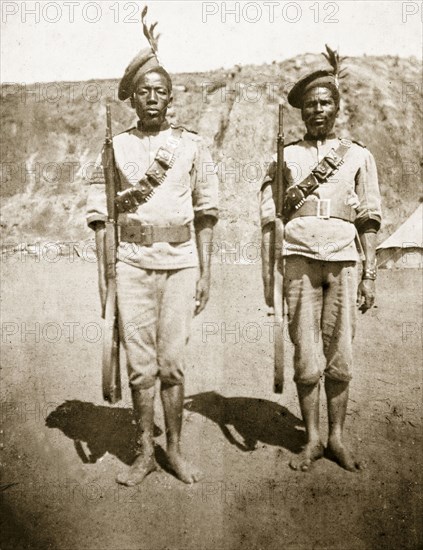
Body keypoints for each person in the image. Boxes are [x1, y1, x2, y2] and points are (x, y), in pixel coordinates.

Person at [86, 44, 218, 485]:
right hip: (133, 265)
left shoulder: (192, 146)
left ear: (171, 96)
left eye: (160, 90)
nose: (153, 97)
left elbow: (206, 213)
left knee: (173, 364)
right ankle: (144, 453)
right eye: (144, 91)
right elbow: (102, 218)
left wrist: (205, 270)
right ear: (133, 98)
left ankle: (174, 451)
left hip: (181, 264)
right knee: (141, 367)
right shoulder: (115, 147)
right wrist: (106, 279)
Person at [259, 69, 382, 472]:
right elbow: (269, 213)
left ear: (337, 107)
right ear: (302, 112)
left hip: (345, 259)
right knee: (306, 356)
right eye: (310, 104)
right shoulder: (286, 155)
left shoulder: (358, 155)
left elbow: (369, 216)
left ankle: (337, 438)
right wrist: (270, 268)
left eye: (324, 102)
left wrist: (370, 272)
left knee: (341, 356)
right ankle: (312, 440)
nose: (317, 110)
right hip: (298, 258)